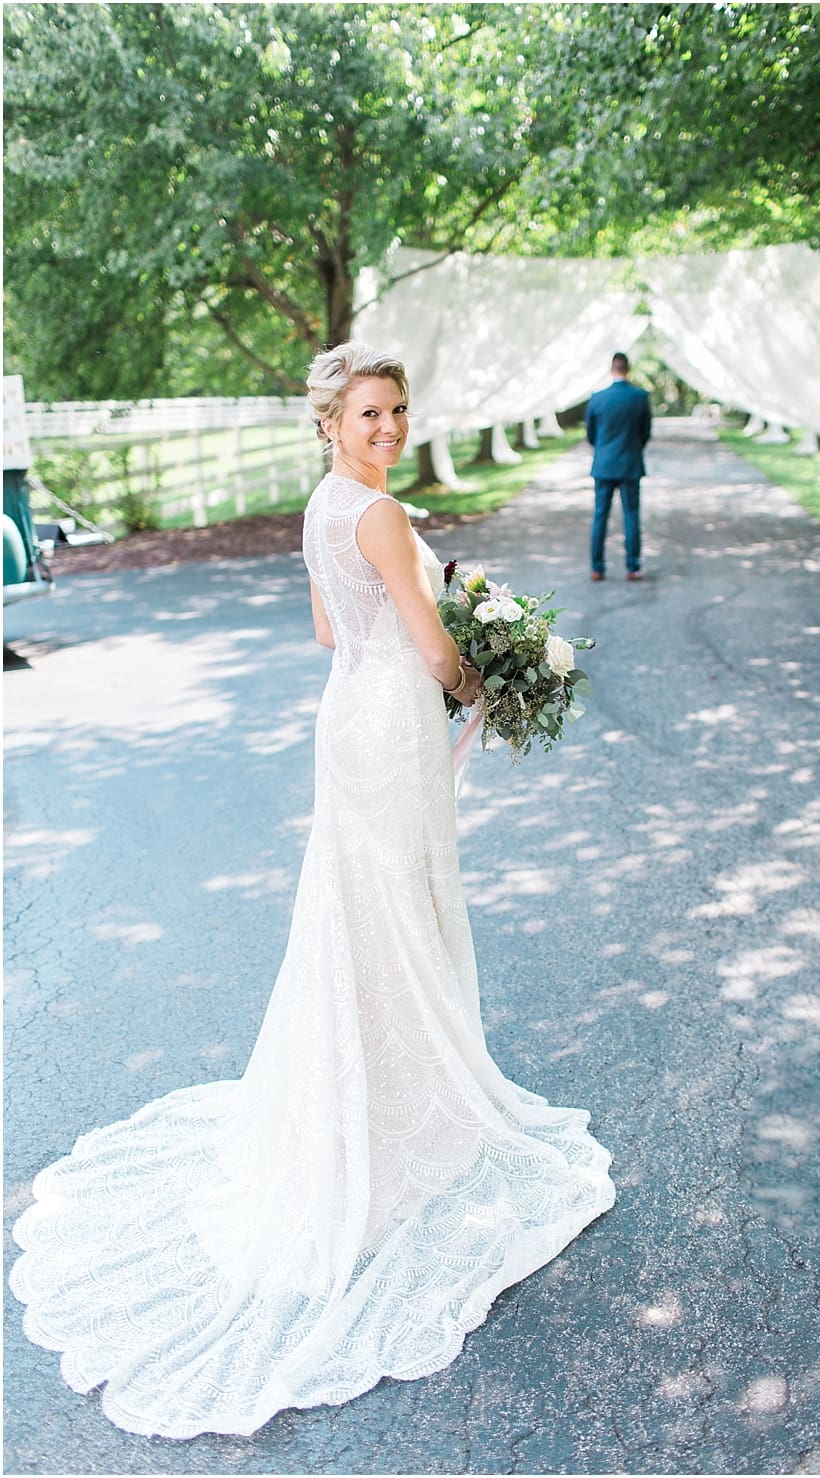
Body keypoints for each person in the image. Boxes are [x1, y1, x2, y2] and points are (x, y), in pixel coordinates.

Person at [8, 342, 616, 1439]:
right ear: (332, 421)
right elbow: (428, 651)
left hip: (349, 717)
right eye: (369, 413)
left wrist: (443, 628)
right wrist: (490, 672)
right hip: (393, 723)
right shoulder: (376, 514)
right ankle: (404, 1106)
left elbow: (332, 630)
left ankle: (376, 1089)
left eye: (397, 410)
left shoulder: (323, 507)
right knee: (398, 909)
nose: (388, 427)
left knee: (364, 910)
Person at [585, 351, 653, 582]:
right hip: (630, 465)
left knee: (600, 515)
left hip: (603, 465)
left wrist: (604, 450)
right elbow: (645, 433)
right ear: (628, 369)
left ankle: (597, 568)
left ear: (611, 369)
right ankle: (633, 567)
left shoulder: (597, 398)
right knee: (631, 515)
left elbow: (591, 434)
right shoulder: (640, 397)